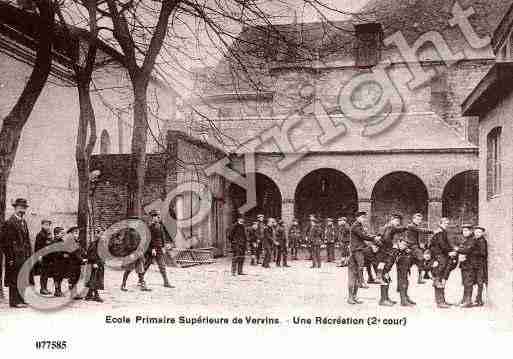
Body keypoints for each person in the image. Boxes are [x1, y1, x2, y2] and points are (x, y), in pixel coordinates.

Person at [1, 198, 33, 308]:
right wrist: (10, 257)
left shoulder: (24, 222)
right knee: (14, 278)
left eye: (24, 208)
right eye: (20, 207)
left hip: (24, 256)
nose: (22, 210)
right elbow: (5, 242)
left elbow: (27, 240)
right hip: (14, 256)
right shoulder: (10, 223)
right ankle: (14, 301)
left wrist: (29, 254)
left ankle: (22, 299)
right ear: (15, 208)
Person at [347, 211, 379, 304]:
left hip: (359, 250)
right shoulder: (355, 226)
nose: (364, 219)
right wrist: (374, 238)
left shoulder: (359, 226)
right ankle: (351, 297)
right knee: (354, 275)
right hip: (356, 251)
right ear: (357, 218)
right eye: (362, 218)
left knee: (356, 275)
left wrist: (371, 245)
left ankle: (355, 296)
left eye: (364, 218)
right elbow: (363, 236)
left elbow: (362, 240)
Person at [376, 213, 407, 306]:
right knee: (385, 275)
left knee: (386, 275)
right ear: (392, 219)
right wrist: (393, 246)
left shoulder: (387, 227)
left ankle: (386, 297)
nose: (398, 223)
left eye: (399, 221)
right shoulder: (390, 227)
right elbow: (386, 239)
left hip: (384, 254)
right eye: (396, 221)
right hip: (385, 254)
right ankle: (383, 299)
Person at [429, 217, 457, 308]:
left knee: (443, 277)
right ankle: (440, 302)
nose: (447, 225)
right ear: (440, 223)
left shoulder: (443, 232)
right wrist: (450, 251)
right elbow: (442, 244)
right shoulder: (439, 232)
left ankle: (442, 301)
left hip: (441, 254)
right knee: (440, 276)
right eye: (445, 223)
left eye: (448, 223)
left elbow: (446, 244)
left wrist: (452, 249)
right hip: (438, 254)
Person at [119, 217, 151, 292]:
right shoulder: (128, 232)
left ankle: (142, 284)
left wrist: (141, 250)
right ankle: (123, 285)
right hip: (132, 254)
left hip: (139, 253)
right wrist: (131, 253)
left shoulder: (138, 232)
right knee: (128, 270)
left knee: (141, 269)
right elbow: (126, 244)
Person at [144, 209, 173, 288]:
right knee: (147, 265)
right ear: (153, 217)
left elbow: (163, 236)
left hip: (159, 248)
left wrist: (163, 246)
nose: (157, 218)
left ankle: (166, 282)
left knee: (162, 266)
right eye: (156, 216)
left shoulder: (160, 225)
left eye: (157, 216)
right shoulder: (150, 227)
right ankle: (140, 280)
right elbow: (150, 239)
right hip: (153, 249)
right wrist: (152, 249)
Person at [405, 213, 433, 284]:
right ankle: (422, 277)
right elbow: (420, 230)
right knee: (421, 259)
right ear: (413, 219)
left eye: (420, 220)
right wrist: (432, 231)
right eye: (417, 219)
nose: (418, 221)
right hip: (412, 246)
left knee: (419, 262)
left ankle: (421, 278)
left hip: (415, 246)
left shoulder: (414, 226)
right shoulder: (411, 226)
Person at [456, 224, 476, 308]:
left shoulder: (472, 240)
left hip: (470, 264)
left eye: (466, 230)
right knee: (465, 282)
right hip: (465, 264)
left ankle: (468, 301)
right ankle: (464, 299)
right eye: (463, 231)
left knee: (468, 282)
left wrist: (458, 249)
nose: (464, 232)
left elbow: (467, 249)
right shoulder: (467, 239)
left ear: (471, 231)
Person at [66, 226, 87, 300]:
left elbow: (80, 250)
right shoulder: (71, 241)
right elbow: (75, 253)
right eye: (75, 233)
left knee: (76, 277)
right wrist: (82, 260)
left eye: (77, 233)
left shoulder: (76, 241)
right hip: (72, 263)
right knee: (73, 278)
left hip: (76, 263)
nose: (77, 234)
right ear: (71, 234)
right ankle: (72, 294)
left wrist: (85, 253)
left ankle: (75, 293)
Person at [34, 219, 53, 295]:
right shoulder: (40, 234)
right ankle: (42, 288)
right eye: (45, 225)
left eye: (48, 225)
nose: (47, 226)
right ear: (42, 225)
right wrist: (39, 256)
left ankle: (45, 288)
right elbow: (38, 246)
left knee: (46, 273)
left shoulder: (48, 234)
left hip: (48, 256)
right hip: (43, 256)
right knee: (43, 273)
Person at [85, 231, 105, 302]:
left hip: (100, 264)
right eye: (100, 234)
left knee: (95, 279)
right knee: (94, 280)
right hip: (95, 264)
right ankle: (96, 295)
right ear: (96, 235)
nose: (102, 236)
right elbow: (91, 254)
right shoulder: (94, 243)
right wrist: (94, 262)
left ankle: (89, 294)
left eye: (103, 234)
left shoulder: (101, 243)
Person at [48, 226, 66, 297]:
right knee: (56, 277)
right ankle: (56, 290)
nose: (63, 234)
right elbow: (53, 253)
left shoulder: (62, 241)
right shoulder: (53, 242)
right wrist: (62, 254)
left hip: (61, 263)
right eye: (61, 233)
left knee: (60, 277)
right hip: (55, 263)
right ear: (56, 234)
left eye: (63, 233)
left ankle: (59, 290)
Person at [472, 226, 488, 306]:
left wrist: (472, 252)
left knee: (480, 282)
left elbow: (483, 253)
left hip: (480, 265)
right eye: (476, 232)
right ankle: (478, 299)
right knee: (478, 282)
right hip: (476, 264)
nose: (477, 233)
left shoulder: (482, 241)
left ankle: (479, 299)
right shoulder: (475, 240)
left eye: (479, 232)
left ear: (482, 233)